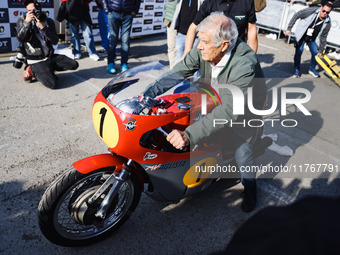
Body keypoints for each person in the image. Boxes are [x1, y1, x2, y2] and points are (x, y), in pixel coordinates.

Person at [143, 12, 267, 212]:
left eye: (205, 42)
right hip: (215, 93)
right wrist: (146, 95)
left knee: (242, 150)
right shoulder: (205, 49)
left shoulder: (244, 64)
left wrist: (189, 134)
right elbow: (176, 73)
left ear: (223, 45)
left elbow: (229, 110)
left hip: (244, 105)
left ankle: (250, 187)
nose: (198, 46)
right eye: (200, 40)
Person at [16, 0, 79, 89]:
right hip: (36, 60)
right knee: (52, 84)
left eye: (34, 10)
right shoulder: (22, 20)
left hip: (49, 56)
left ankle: (48, 70)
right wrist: (27, 23)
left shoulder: (48, 21)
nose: (32, 13)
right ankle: (31, 70)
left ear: (40, 9)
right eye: (29, 11)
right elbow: (20, 39)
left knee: (74, 64)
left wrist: (44, 28)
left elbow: (55, 41)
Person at [181, 0, 258, 60]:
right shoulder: (210, 2)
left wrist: (252, 57)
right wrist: (187, 53)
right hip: (213, 55)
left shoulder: (247, 2)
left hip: (237, 53)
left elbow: (251, 30)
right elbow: (193, 28)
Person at [285, 0, 334, 78]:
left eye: (327, 12)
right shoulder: (310, 11)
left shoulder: (328, 22)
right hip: (302, 35)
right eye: (323, 11)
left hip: (313, 39)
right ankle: (296, 70)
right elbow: (297, 15)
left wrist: (321, 49)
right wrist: (289, 28)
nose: (325, 13)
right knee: (299, 51)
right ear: (321, 8)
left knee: (316, 53)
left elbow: (324, 36)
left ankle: (312, 69)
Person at [102, 0, 141, 74]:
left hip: (128, 14)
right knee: (113, 39)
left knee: (125, 40)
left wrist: (135, 11)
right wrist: (107, 10)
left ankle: (124, 64)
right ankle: (110, 63)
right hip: (113, 13)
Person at [164, 0, 178, 69]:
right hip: (172, 18)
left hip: (187, 18)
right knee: (172, 46)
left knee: (183, 48)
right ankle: (173, 71)